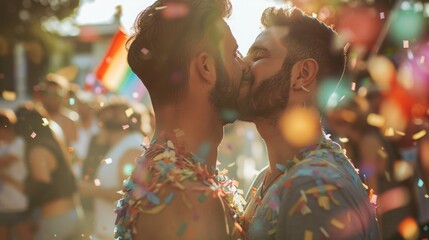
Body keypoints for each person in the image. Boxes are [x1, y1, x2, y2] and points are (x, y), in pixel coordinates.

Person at [238, 7, 380, 239]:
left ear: (302, 74)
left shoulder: (315, 189)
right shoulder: (271, 175)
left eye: (259, 56)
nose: (243, 65)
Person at [114, 0, 247, 239]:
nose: (245, 64)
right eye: (234, 53)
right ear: (206, 67)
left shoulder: (165, 176)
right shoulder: (189, 200)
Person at [79, 100, 146, 239]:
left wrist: (90, 190)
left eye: (114, 113)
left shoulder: (132, 147)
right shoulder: (121, 145)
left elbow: (129, 195)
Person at [15, 104, 81, 240]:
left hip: (56, 217)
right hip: (71, 212)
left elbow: (42, 186)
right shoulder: (54, 137)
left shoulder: (38, 151)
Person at [0, 109, 33, 240]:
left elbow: (5, 162)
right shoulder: (3, 146)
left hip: (19, 203)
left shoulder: (19, 143)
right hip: (3, 205)